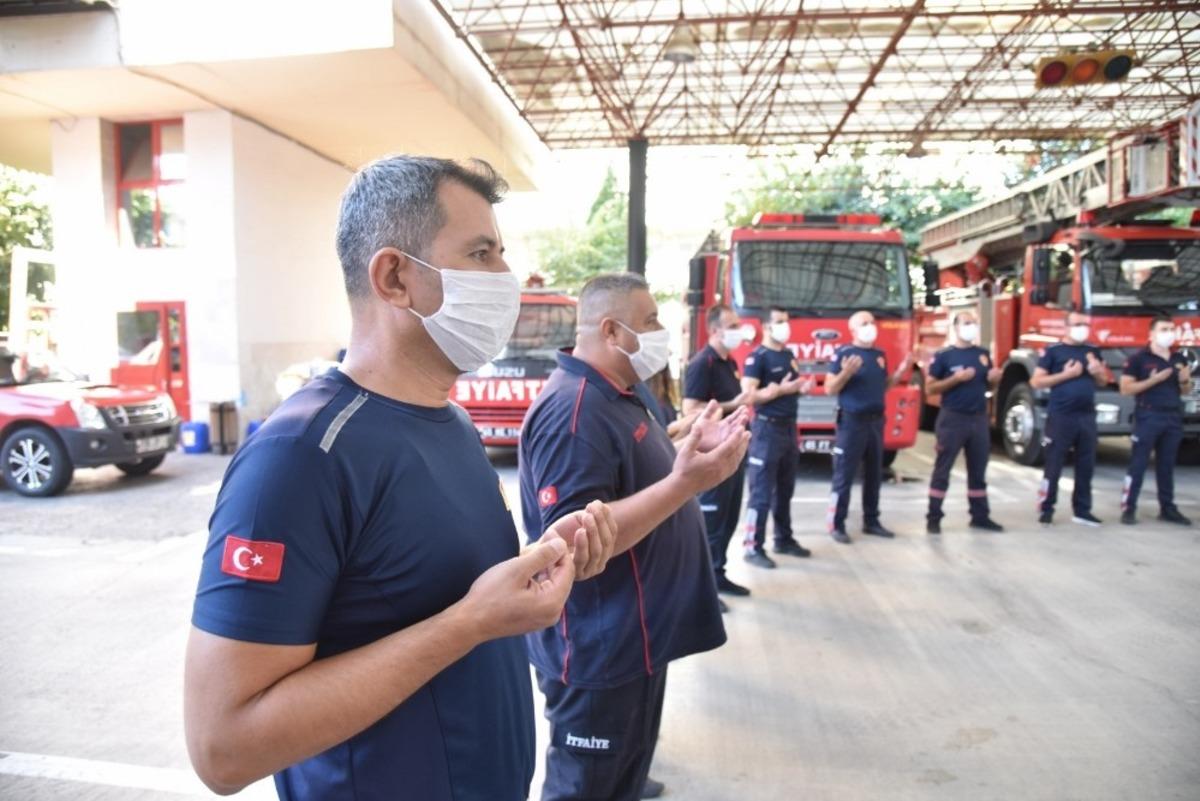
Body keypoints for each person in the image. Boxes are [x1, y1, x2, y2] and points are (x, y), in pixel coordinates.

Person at [183, 156, 618, 801]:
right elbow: (224, 749)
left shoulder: (452, 422)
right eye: (481, 253)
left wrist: (544, 558)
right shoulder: (301, 455)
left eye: (501, 253)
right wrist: (468, 623)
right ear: (394, 277)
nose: (508, 278)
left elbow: (434, 588)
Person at [519, 272, 749, 801]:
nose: (661, 331)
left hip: (637, 640)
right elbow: (576, 542)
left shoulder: (618, 391)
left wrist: (684, 441)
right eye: (650, 322)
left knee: (623, 776)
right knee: (586, 788)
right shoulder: (571, 412)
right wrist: (686, 482)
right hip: (601, 648)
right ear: (611, 330)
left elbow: (630, 462)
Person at [825, 310, 913, 544]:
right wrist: (846, 372)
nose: (870, 326)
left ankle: (871, 520)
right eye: (864, 323)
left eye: (872, 322)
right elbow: (830, 388)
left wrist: (900, 373)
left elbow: (882, 386)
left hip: (875, 421)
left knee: (874, 474)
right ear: (853, 330)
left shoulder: (879, 355)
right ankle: (837, 523)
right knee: (844, 475)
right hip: (852, 422)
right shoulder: (844, 353)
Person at [684, 304, 753, 593]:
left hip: (733, 449)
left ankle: (718, 574)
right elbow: (691, 409)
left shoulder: (729, 362)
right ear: (715, 330)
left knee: (728, 516)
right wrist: (731, 406)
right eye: (732, 326)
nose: (738, 331)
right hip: (712, 453)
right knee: (710, 521)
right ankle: (703, 587)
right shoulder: (703, 363)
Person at [740, 306, 815, 568]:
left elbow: (789, 389)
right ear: (767, 327)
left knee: (785, 489)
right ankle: (753, 546)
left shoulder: (788, 355)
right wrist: (779, 390)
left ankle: (783, 539)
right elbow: (749, 395)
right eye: (780, 322)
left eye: (787, 321)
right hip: (766, 430)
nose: (786, 326)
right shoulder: (757, 357)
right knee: (761, 492)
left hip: (788, 429)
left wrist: (798, 388)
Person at [923, 310, 1005, 534]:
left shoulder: (983, 355)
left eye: (974, 323)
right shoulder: (944, 356)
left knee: (978, 470)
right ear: (956, 327)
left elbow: (987, 387)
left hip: (978, 418)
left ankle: (980, 516)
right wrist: (955, 379)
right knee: (943, 469)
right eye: (967, 323)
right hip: (952, 418)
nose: (972, 327)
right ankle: (934, 517)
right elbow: (930, 388)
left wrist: (994, 381)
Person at [1032, 310, 1110, 526]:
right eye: (1077, 324)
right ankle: (1046, 508)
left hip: (1086, 416)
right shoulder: (1053, 351)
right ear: (1066, 327)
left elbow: (1103, 381)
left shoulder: (1093, 350)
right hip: (1061, 416)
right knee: (1054, 464)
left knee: (1086, 465)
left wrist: (1096, 372)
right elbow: (1037, 382)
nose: (1082, 328)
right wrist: (1066, 375)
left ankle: (1082, 510)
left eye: (1085, 324)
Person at [1119, 317, 1194, 526]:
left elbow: (1186, 391)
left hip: (1172, 417)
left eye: (1172, 329)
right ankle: (1129, 507)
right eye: (1164, 329)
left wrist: (1185, 380)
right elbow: (1125, 389)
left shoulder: (1179, 357)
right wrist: (1154, 380)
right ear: (1151, 334)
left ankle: (1167, 508)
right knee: (1139, 464)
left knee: (1167, 466)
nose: (1169, 333)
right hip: (1148, 416)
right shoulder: (1139, 359)